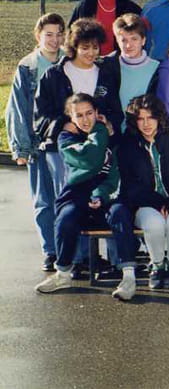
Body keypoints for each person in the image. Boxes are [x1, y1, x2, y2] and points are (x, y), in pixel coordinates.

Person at [34, 94, 138, 300]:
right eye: (79, 115)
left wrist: (101, 194)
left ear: (97, 113)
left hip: (107, 196)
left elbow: (116, 175)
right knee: (66, 217)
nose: (85, 120)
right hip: (77, 197)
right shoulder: (66, 138)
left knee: (120, 213)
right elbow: (90, 160)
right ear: (70, 118)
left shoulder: (115, 139)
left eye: (89, 113)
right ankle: (63, 274)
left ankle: (129, 277)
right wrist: (101, 129)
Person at [118, 94, 169, 289]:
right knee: (154, 224)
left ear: (159, 118)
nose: (146, 124)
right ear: (134, 121)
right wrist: (157, 202)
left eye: (151, 117)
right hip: (145, 204)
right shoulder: (128, 148)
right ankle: (156, 266)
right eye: (140, 119)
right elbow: (129, 186)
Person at [34, 19, 124, 197]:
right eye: (85, 48)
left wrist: (109, 124)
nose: (91, 53)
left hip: (98, 148)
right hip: (63, 149)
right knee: (67, 199)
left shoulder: (106, 75)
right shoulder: (54, 75)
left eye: (95, 47)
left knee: (97, 199)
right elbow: (40, 116)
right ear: (74, 47)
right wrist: (62, 125)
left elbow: (116, 112)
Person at [5, 13, 65, 271]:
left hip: (67, 142)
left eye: (59, 34)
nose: (54, 40)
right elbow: (17, 109)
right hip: (39, 143)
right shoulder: (27, 67)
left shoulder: (70, 61)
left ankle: (74, 251)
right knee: (44, 200)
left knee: (70, 199)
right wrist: (21, 146)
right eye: (48, 34)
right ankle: (50, 250)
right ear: (38, 36)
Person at [107, 14, 159, 120]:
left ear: (143, 40)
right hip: (114, 127)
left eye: (134, 39)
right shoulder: (108, 66)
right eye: (124, 40)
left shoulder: (157, 68)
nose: (128, 45)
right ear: (117, 41)